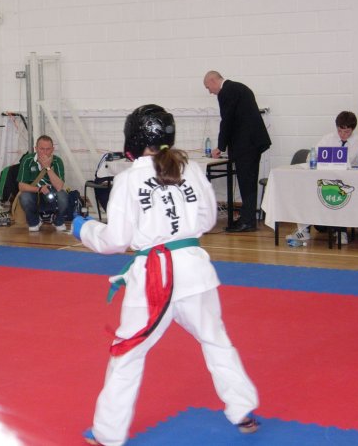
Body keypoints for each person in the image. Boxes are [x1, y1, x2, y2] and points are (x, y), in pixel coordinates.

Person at [72, 105, 259, 446]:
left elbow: (116, 240)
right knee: (215, 339)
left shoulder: (128, 179)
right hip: (194, 269)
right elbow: (207, 221)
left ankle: (108, 433)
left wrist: (85, 230)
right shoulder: (191, 168)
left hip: (154, 280)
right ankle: (242, 409)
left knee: (128, 353)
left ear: (133, 138)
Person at [203, 71, 271, 232]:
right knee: (249, 182)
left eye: (208, 87)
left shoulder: (226, 91)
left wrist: (220, 147)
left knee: (247, 182)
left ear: (213, 80)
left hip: (246, 145)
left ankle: (248, 222)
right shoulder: (239, 87)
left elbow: (227, 121)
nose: (210, 92)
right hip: (253, 143)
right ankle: (247, 217)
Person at [287, 111, 358, 245]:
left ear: (353, 129)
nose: (343, 135)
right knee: (307, 192)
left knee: (340, 196)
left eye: (347, 132)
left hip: (347, 181)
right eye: (340, 131)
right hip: (327, 179)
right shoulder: (328, 138)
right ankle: (304, 230)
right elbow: (311, 156)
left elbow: (351, 163)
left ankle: (341, 231)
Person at [17, 135, 71, 232]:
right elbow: (21, 186)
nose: (45, 152)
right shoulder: (27, 160)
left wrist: (48, 168)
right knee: (25, 197)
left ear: (52, 149)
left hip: (52, 192)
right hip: (34, 192)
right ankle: (34, 221)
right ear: (36, 148)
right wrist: (39, 189)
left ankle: (58, 221)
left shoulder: (57, 161)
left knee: (63, 196)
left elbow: (59, 187)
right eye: (42, 149)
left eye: (48, 149)